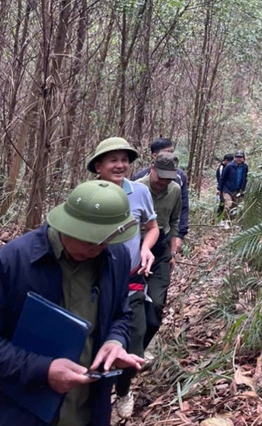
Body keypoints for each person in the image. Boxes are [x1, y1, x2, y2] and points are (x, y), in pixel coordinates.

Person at [0, 179, 144, 426]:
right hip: (22, 411)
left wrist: (114, 340)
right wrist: (42, 370)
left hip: (89, 409)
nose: (97, 249)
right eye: (90, 241)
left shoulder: (116, 257)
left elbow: (121, 314)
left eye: (105, 241)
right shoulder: (14, 261)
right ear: (68, 226)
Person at [86, 137, 158, 421]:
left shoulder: (139, 192)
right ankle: (94, 400)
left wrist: (145, 248)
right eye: (113, 160)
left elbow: (152, 227)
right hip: (94, 281)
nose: (120, 165)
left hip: (132, 280)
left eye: (124, 160)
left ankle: (124, 391)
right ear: (98, 166)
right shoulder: (87, 194)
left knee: (134, 341)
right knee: (96, 341)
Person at [135, 153, 181, 349]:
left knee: (155, 309)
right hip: (135, 248)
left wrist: (172, 253)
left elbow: (174, 221)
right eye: (160, 176)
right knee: (132, 305)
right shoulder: (136, 188)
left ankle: (139, 350)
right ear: (151, 168)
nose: (163, 182)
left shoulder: (175, 190)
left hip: (161, 250)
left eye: (168, 178)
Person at [133, 137, 189, 254]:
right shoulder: (138, 181)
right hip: (138, 238)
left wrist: (179, 235)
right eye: (166, 153)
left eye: (171, 152)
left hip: (163, 238)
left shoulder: (178, 179)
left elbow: (181, 210)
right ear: (154, 157)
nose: (170, 156)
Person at [218, 150, 249, 215]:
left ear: (243, 158)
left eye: (240, 157)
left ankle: (231, 223)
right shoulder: (229, 166)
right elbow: (222, 178)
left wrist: (243, 190)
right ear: (235, 158)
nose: (239, 159)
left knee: (236, 208)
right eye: (237, 157)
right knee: (229, 204)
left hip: (238, 190)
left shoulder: (245, 167)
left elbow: (245, 178)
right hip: (227, 189)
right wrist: (219, 189)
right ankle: (225, 221)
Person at [215, 154, 234, 218]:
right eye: (229, 161)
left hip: (228, 188)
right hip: (222, 188)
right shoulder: (221, 168)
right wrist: (219, 189)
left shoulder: (229, 167)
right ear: (225, 160)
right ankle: (219, 217)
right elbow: (221, 179)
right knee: (222, 203)